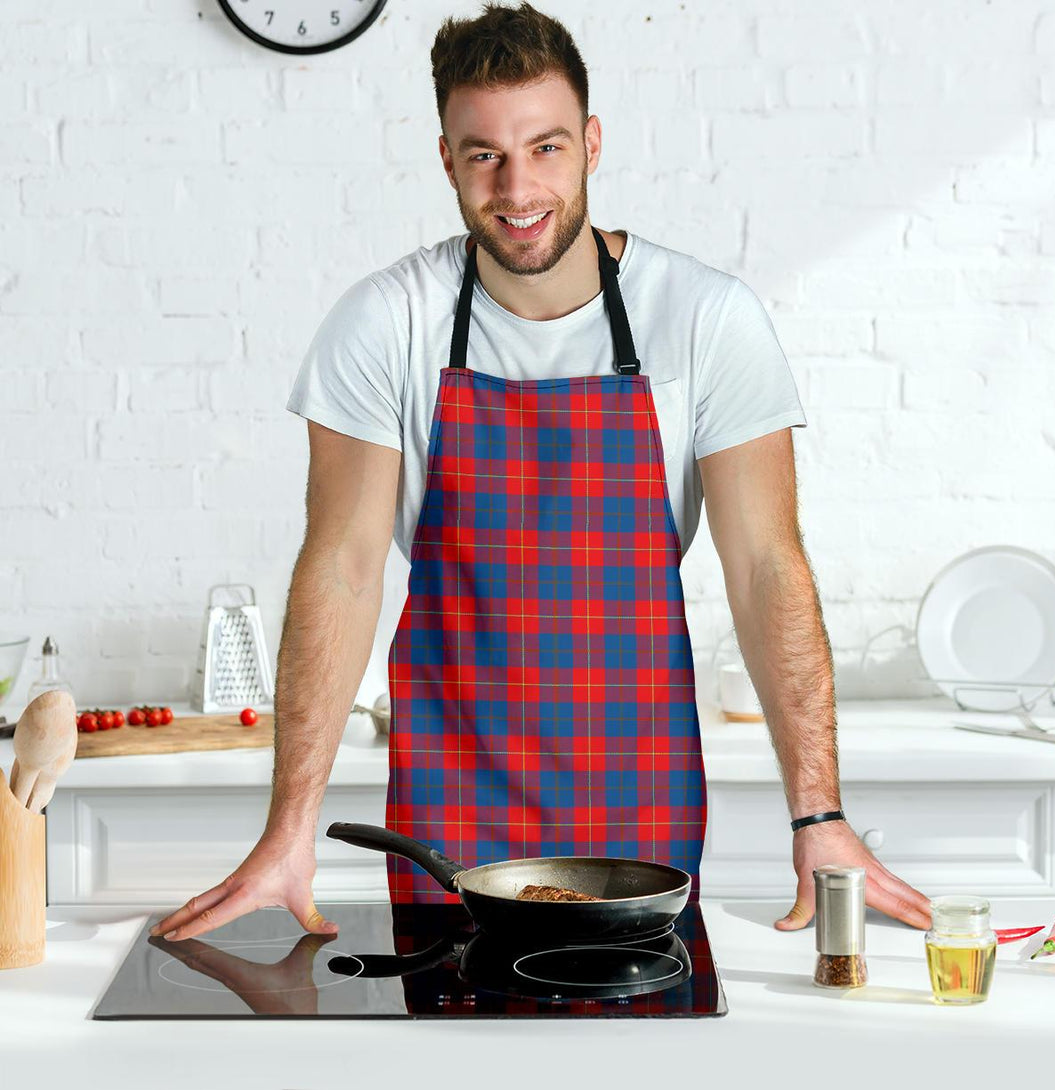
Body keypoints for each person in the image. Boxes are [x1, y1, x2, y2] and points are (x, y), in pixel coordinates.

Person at [151, 2, 931, 943]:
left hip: (639, 797)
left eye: (546, 147)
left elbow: (768, 566)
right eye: (484, 154)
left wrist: (819, 814)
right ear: (446, 159)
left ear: (591, 143)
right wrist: (288, 829)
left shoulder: (706, 318)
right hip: (449, 802)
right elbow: (343, 571)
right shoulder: (386, 321)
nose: (517, 186)